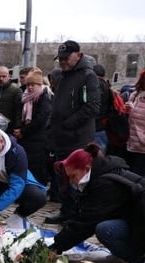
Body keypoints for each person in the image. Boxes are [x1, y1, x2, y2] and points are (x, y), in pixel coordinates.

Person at [49, 144, 145, 263]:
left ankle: (138, 262)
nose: (71, 182)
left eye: (73, 176)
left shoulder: (105, 183)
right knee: (105, 223)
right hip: (136, 222)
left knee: (105, 229)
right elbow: (83, 214)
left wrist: (56, 247)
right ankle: (120, 256)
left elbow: (86, 222)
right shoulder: (100, 175)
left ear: (86, 169)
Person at [44, 40, 100, 224]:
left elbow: (92, 107)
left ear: (78, 55)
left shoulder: (88, 76)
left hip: (77, 138)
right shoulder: (62, 76)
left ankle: (77, 214)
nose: (63, 61)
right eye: (60, 58)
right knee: (63, 177)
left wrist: (68, 124)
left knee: (76, 178)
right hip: (61, 137)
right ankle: (66, 211)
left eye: (66, 58)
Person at [14, 70, 52, 187]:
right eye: (28, 85)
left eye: (33, 85)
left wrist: (23, 131)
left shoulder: (44, 97)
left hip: (38, 140)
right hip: (26, 139)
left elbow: (40, 119)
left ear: (39, 85)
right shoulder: (25, 97)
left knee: (37, 170)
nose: (30, 87)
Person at [0, 66, 23, 135]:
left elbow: (18, 111)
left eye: (4, 76)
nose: (1, 79)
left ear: (8, 77)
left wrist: (17, 127)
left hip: (9, 129)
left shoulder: (16, 91)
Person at [92, 64, 112, 151]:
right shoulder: (106, 85)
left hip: (96, 126)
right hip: (103, 125)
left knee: (95, 153)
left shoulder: (96, 84)